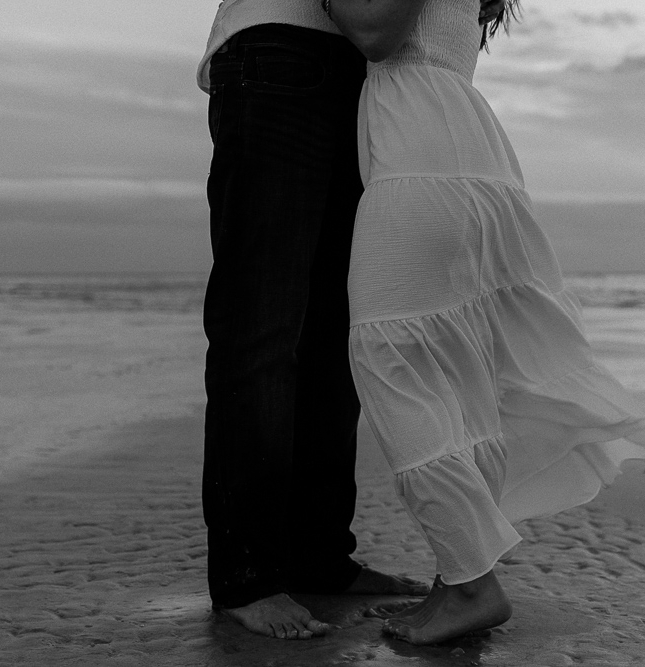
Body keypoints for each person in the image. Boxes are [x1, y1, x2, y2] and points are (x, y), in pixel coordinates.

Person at [328, 0, 645, 645]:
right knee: (458, 374)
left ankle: (471, 586)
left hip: (421, 154)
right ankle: (458, 577)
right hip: (457, 143)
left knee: (391, 356)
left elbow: (376, 31)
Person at [196, 0, 507, 641]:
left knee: (332, 338)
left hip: (361, 81)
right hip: (282, 53)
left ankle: (318, 557)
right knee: (261, 326)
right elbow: (376, 25)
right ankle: (248, 575)